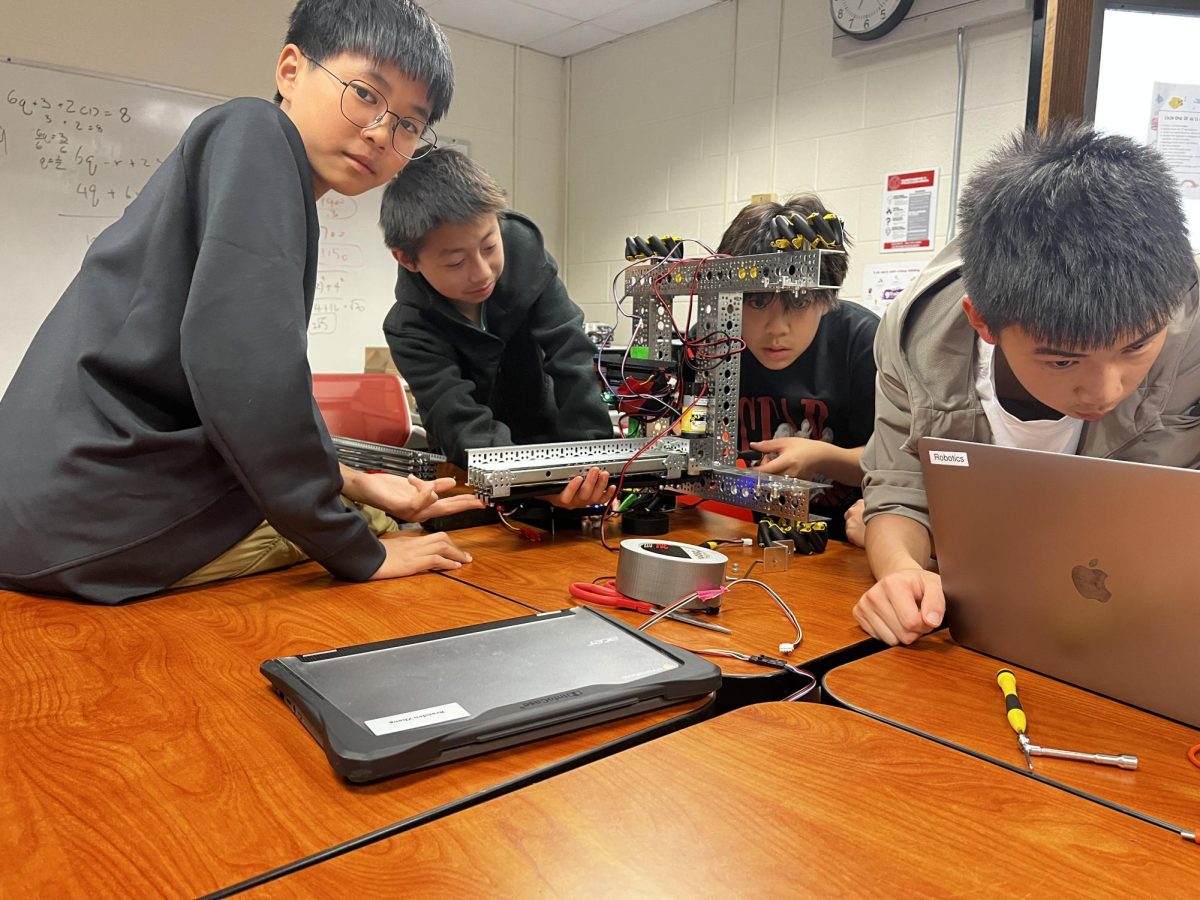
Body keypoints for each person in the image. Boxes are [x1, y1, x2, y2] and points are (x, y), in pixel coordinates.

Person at [0, 0, 483, 605]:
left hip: (49, 511)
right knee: (400, 554)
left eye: (409, 124)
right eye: (364, 93)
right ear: (290, 70)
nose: (382, 132)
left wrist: (359, 482)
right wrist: (358, 547)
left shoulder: (252, 157)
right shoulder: (256, 131)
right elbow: (243, 371)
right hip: (89, 520)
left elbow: (245, 388)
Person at [855, 123, 1200, 646]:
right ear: (982, 322)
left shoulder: (1189, 325)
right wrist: (900, 570)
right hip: (990, 638)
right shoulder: (916, 338)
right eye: (1063, 362)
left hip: (1146, 635)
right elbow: (900, 490)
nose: (1105, 391)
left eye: (1135, 348)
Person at [380, 148, 616, 508]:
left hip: (549, 443)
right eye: (456, 262)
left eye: (490, 245)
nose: (482, 272)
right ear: (407, 258)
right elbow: (457, 418)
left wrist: (592, 460)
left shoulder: (526, 256)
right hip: (468, 472)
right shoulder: (409, 326)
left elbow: (571, 352)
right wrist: (536, 484)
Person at [716, 195, 879, 542]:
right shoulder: (715, 344)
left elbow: (899, 462)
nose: (777, 328)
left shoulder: (864, 342)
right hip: (751, 539)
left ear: (826, 299)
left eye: (800, 302)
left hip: (845, 545)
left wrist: (823, 456)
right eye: (758, 302)